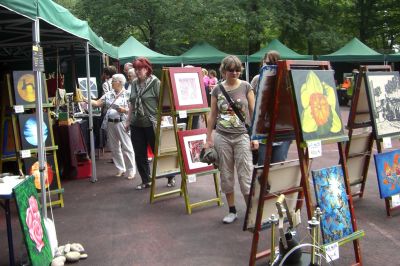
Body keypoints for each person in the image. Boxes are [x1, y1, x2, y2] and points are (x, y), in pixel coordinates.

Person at [205, 55, 258, 224]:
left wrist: (255, 136)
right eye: (231, 70)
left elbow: (254, 112)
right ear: (224, 71)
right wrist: (208, 138)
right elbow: (212, 115)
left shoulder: (246, 87)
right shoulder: (217, 89)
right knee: (226, 176)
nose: (234, 72)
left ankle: (252, 211)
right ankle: (232, 210)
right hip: (222, 136)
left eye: (237, 70)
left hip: (242, 135)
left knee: (246, 176)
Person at [125, 57, 175, 190]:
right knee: (139, 153)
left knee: (158, 151)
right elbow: (132, 102)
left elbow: (164, 102)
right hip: (137, 123)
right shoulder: (134, 83)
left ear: (147, 69)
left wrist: (165, 119)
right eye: (135, 69)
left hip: (152, 122)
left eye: (140, 68)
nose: (137, 71)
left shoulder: (155, 82)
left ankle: (170, 176)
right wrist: (128, 120)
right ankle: (146, 180)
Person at [86, 74, 136, 179]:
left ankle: (131, 170)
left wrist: (124, 110)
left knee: (127, 147)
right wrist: (86, 99)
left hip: (122, 122)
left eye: (113, 81)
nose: (111, 82)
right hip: (110, 123)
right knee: (114, 147)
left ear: (120, 82)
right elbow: (97, 103)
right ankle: (120, 169)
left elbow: (134, 110)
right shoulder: (109, 94)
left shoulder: (128, 94)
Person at [251, 50, 291, 165]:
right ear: (263, 62)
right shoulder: (257, 79)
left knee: (278, 165)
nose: (270, 66)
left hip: (282, 131)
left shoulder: (287, 78)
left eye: (274, 63)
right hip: (262, 131)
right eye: (267, 63)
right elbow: (252, 106)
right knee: (262, 165)